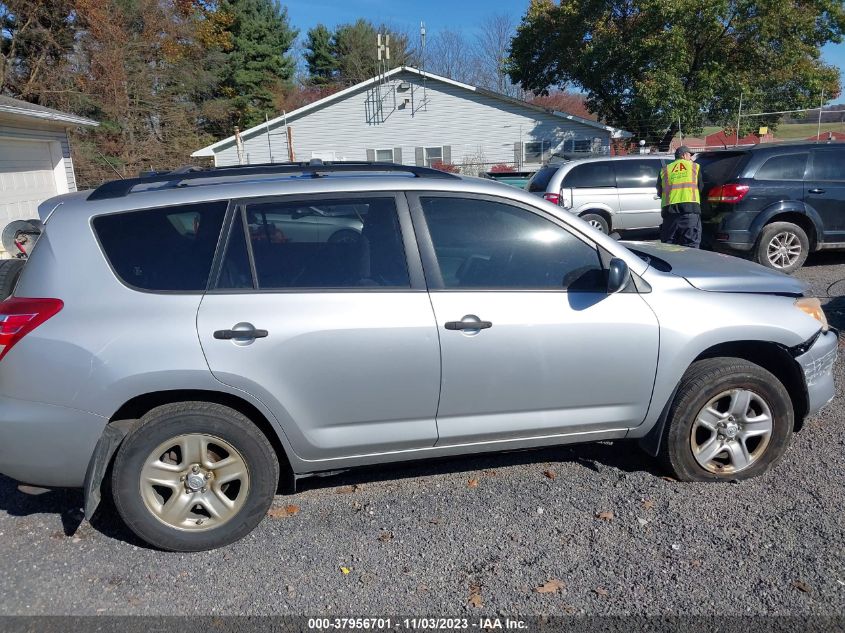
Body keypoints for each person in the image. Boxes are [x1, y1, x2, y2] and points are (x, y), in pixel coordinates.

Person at [657, 145, 705, 248]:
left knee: (668, 246)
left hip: (669, 213)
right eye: (689, 155)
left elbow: (659, 192)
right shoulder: (694, 167)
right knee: (691, 246)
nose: (691, 158)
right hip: (689, 211)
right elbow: (700, 187)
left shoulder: (665, 170)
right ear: (684, 155)